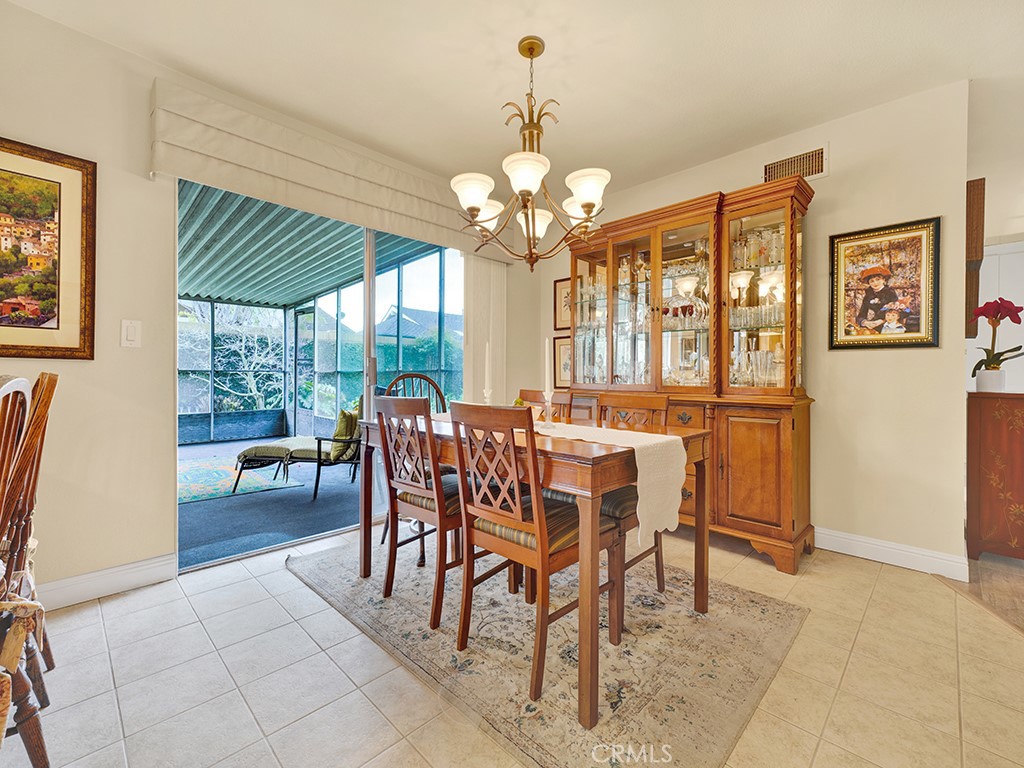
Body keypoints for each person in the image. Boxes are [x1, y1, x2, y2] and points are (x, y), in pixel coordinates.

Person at [855, 265, 899, 331]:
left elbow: (896, 312)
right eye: (872, 281)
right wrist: (865, 322)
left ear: (883, 280)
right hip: (873, 324)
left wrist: (882, 321)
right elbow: (862, 314)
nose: (875, 283)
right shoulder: (868, 295)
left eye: (878, 279)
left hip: (889, 323)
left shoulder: (890, 293)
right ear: (869, 283)